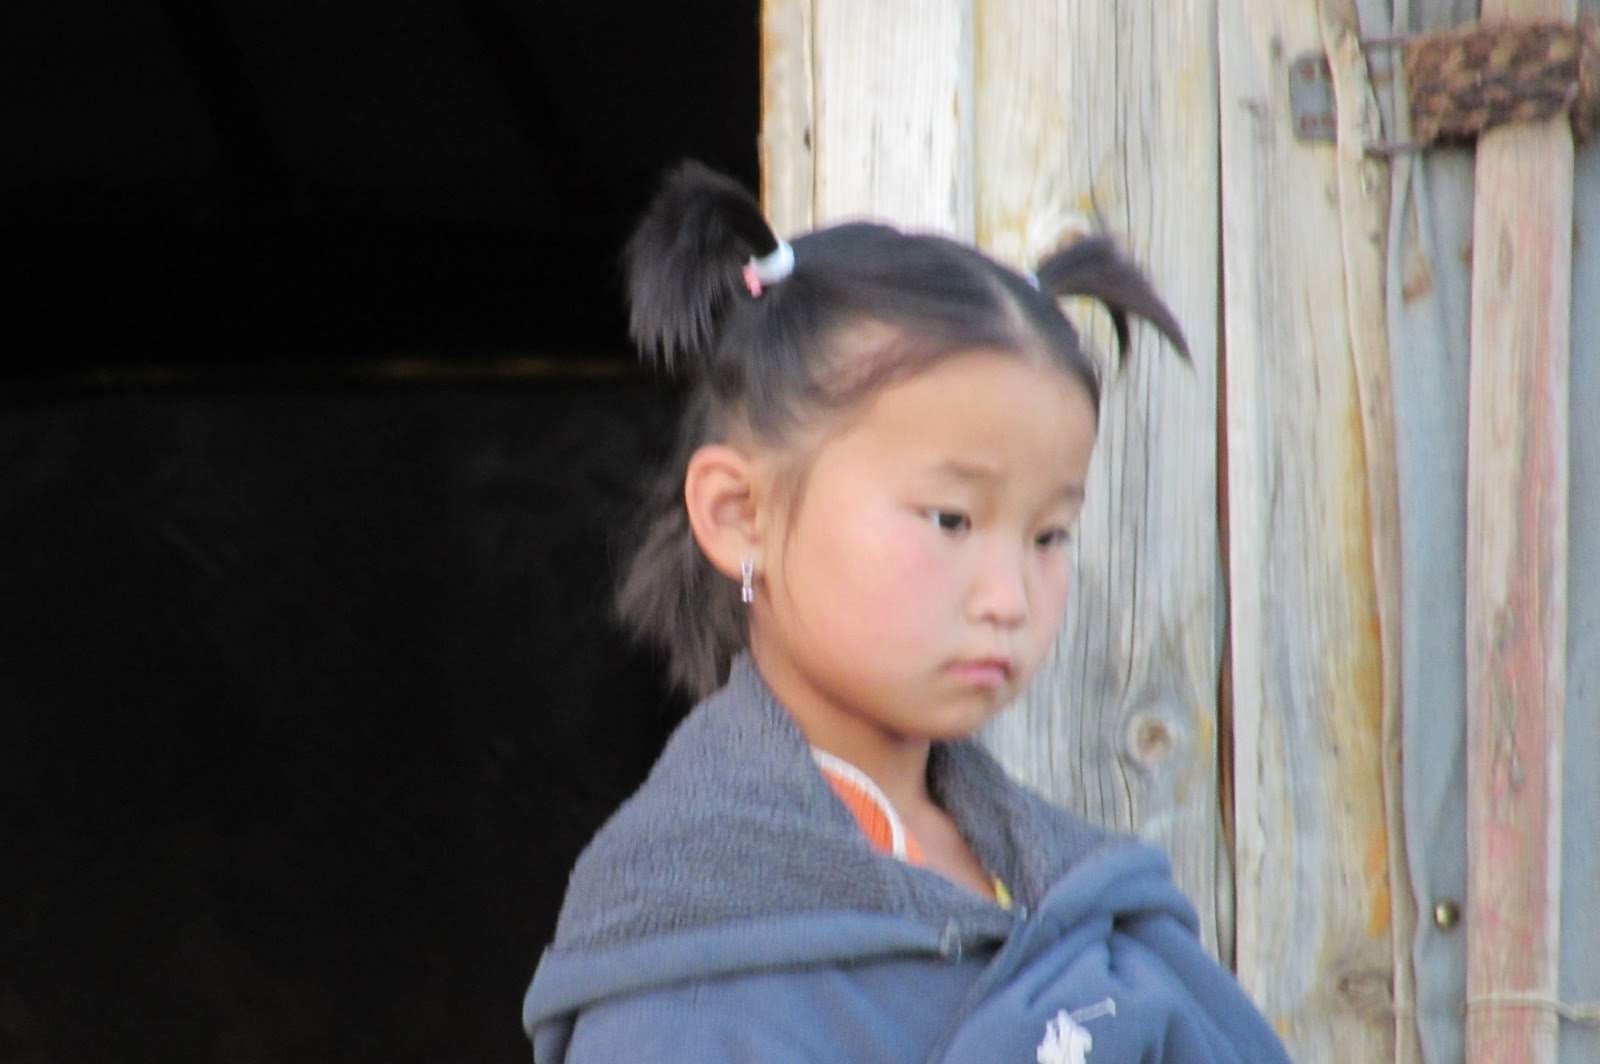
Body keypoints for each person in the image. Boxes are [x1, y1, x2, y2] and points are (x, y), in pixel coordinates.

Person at [520, 160, 1290, 1063]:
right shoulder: (682, 958)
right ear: (740, 515)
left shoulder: (1085, 900)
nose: (1008, 598)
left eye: (1048, 535)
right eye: (950, 520)